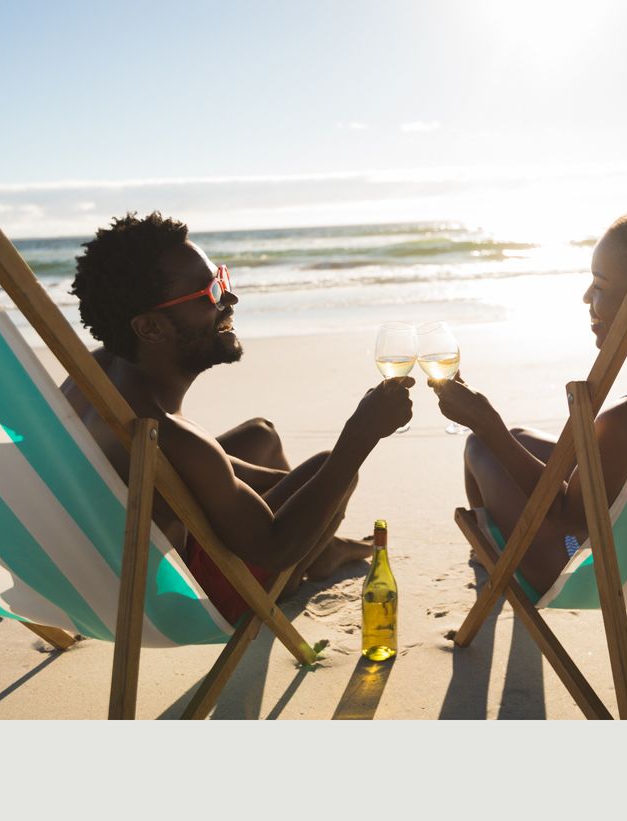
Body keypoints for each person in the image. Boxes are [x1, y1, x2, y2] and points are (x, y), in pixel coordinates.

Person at [66, 211, 412, 622]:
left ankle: (324, 545)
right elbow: (274, 546)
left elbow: (197, 468)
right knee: (332, 469)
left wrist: (291, 488)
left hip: (105, 557)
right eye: (210, 292)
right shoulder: (165, 431)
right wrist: (360, 437)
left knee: (260, 436)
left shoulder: (99, 377)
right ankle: (317, 554)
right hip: (188, 594)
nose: (229, 299)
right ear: (151, 328)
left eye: (223, 279)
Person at [428, 207, 627, 599]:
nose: (586, 297)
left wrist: (485, 423)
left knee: (482, 446)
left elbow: (565, 516)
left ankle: (495, 560)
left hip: (596, 573)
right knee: (521, 438)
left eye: (599, 285)